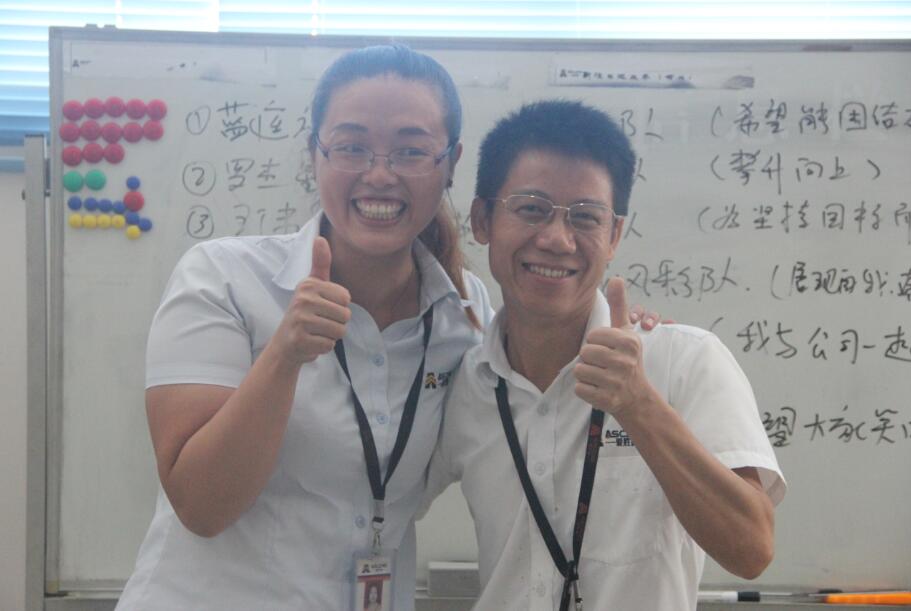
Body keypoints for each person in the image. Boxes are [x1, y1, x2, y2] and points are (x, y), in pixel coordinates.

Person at [116, 45, 660, 611]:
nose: (379, 175)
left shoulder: (466, 313)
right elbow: (201, 506)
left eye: (411, 151)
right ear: (314, 153)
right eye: (351, 147)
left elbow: (539, 376)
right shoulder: (225, 278)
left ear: (450, 163)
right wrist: (284, 356)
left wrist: (635, 328)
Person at [424, 100, 786, 611]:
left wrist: (639, 405)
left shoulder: (684, 361)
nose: (556, 239)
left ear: (614, 235)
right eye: (531, 208)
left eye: (585, 217)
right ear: (482, 220)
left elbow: (751, 549)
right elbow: (380, 498)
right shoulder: (464, 382)